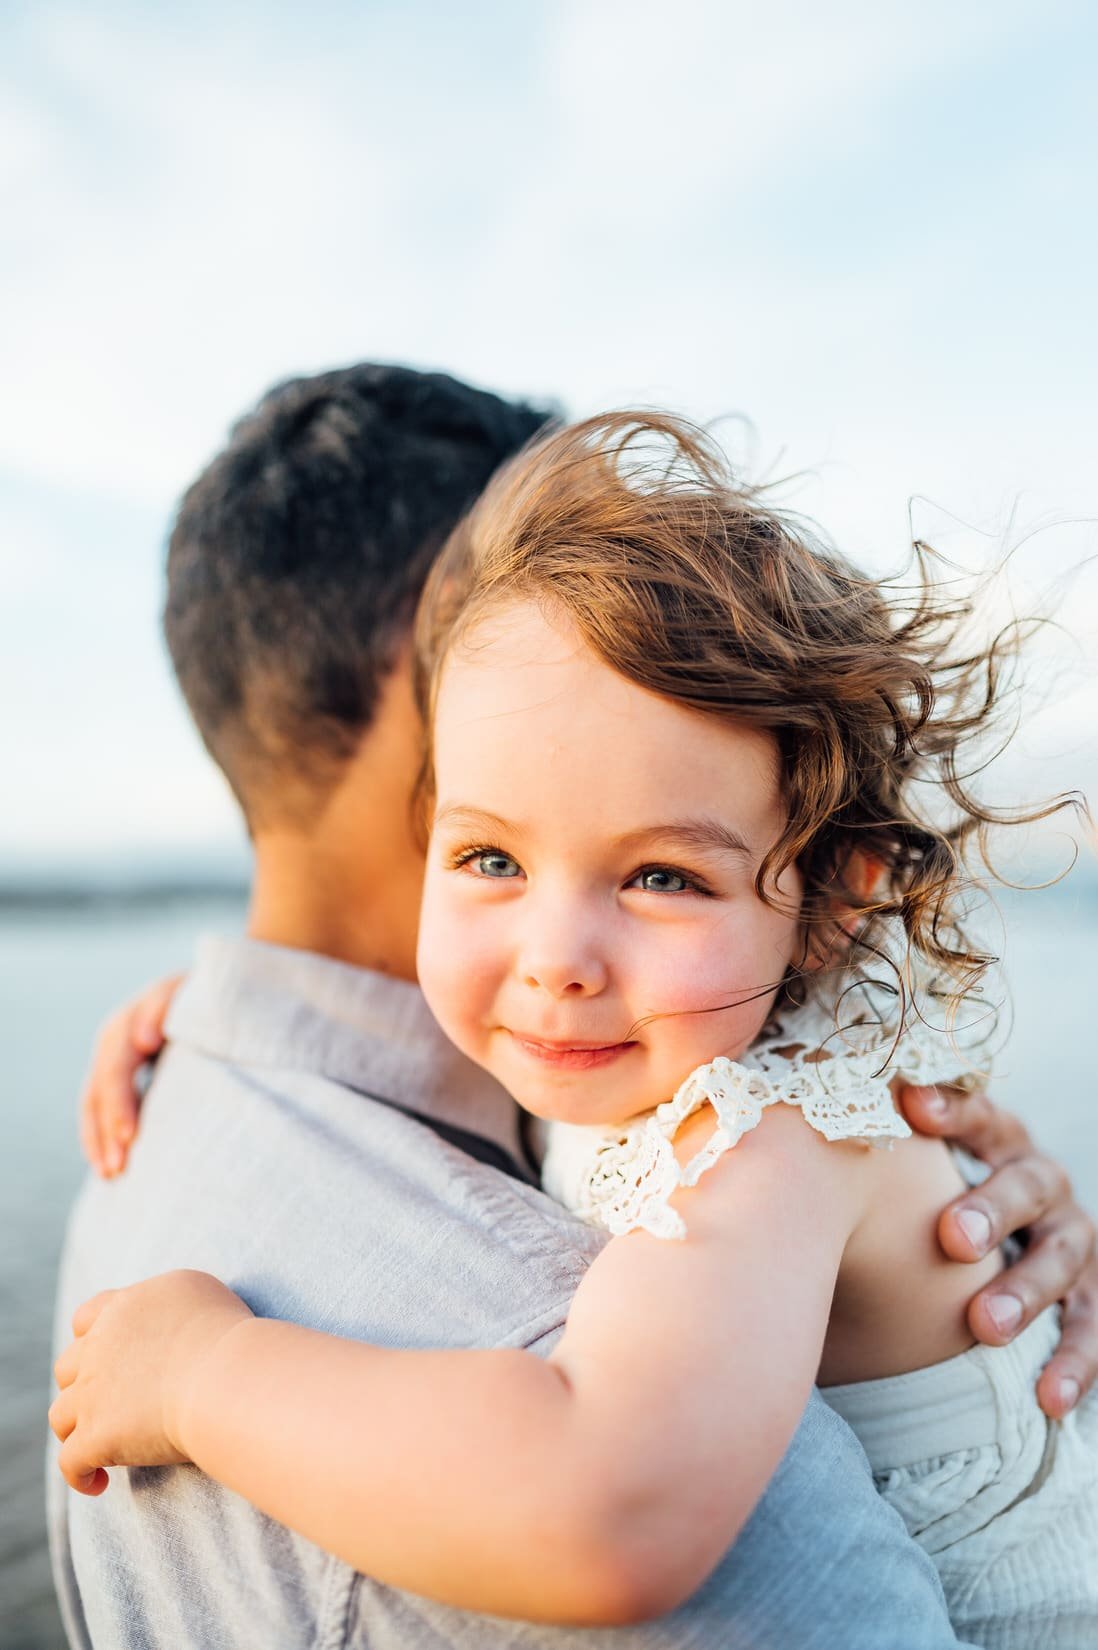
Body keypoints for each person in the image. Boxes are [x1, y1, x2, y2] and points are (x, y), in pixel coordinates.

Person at [50, 376, 1097, 1650]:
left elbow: (605, 1510)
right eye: (487, 858)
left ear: (834, 900)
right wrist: (199, 1009)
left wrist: (205, 1373)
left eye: (662, 876)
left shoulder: (766, 1141)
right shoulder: (631, 1030)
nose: (554, 962)